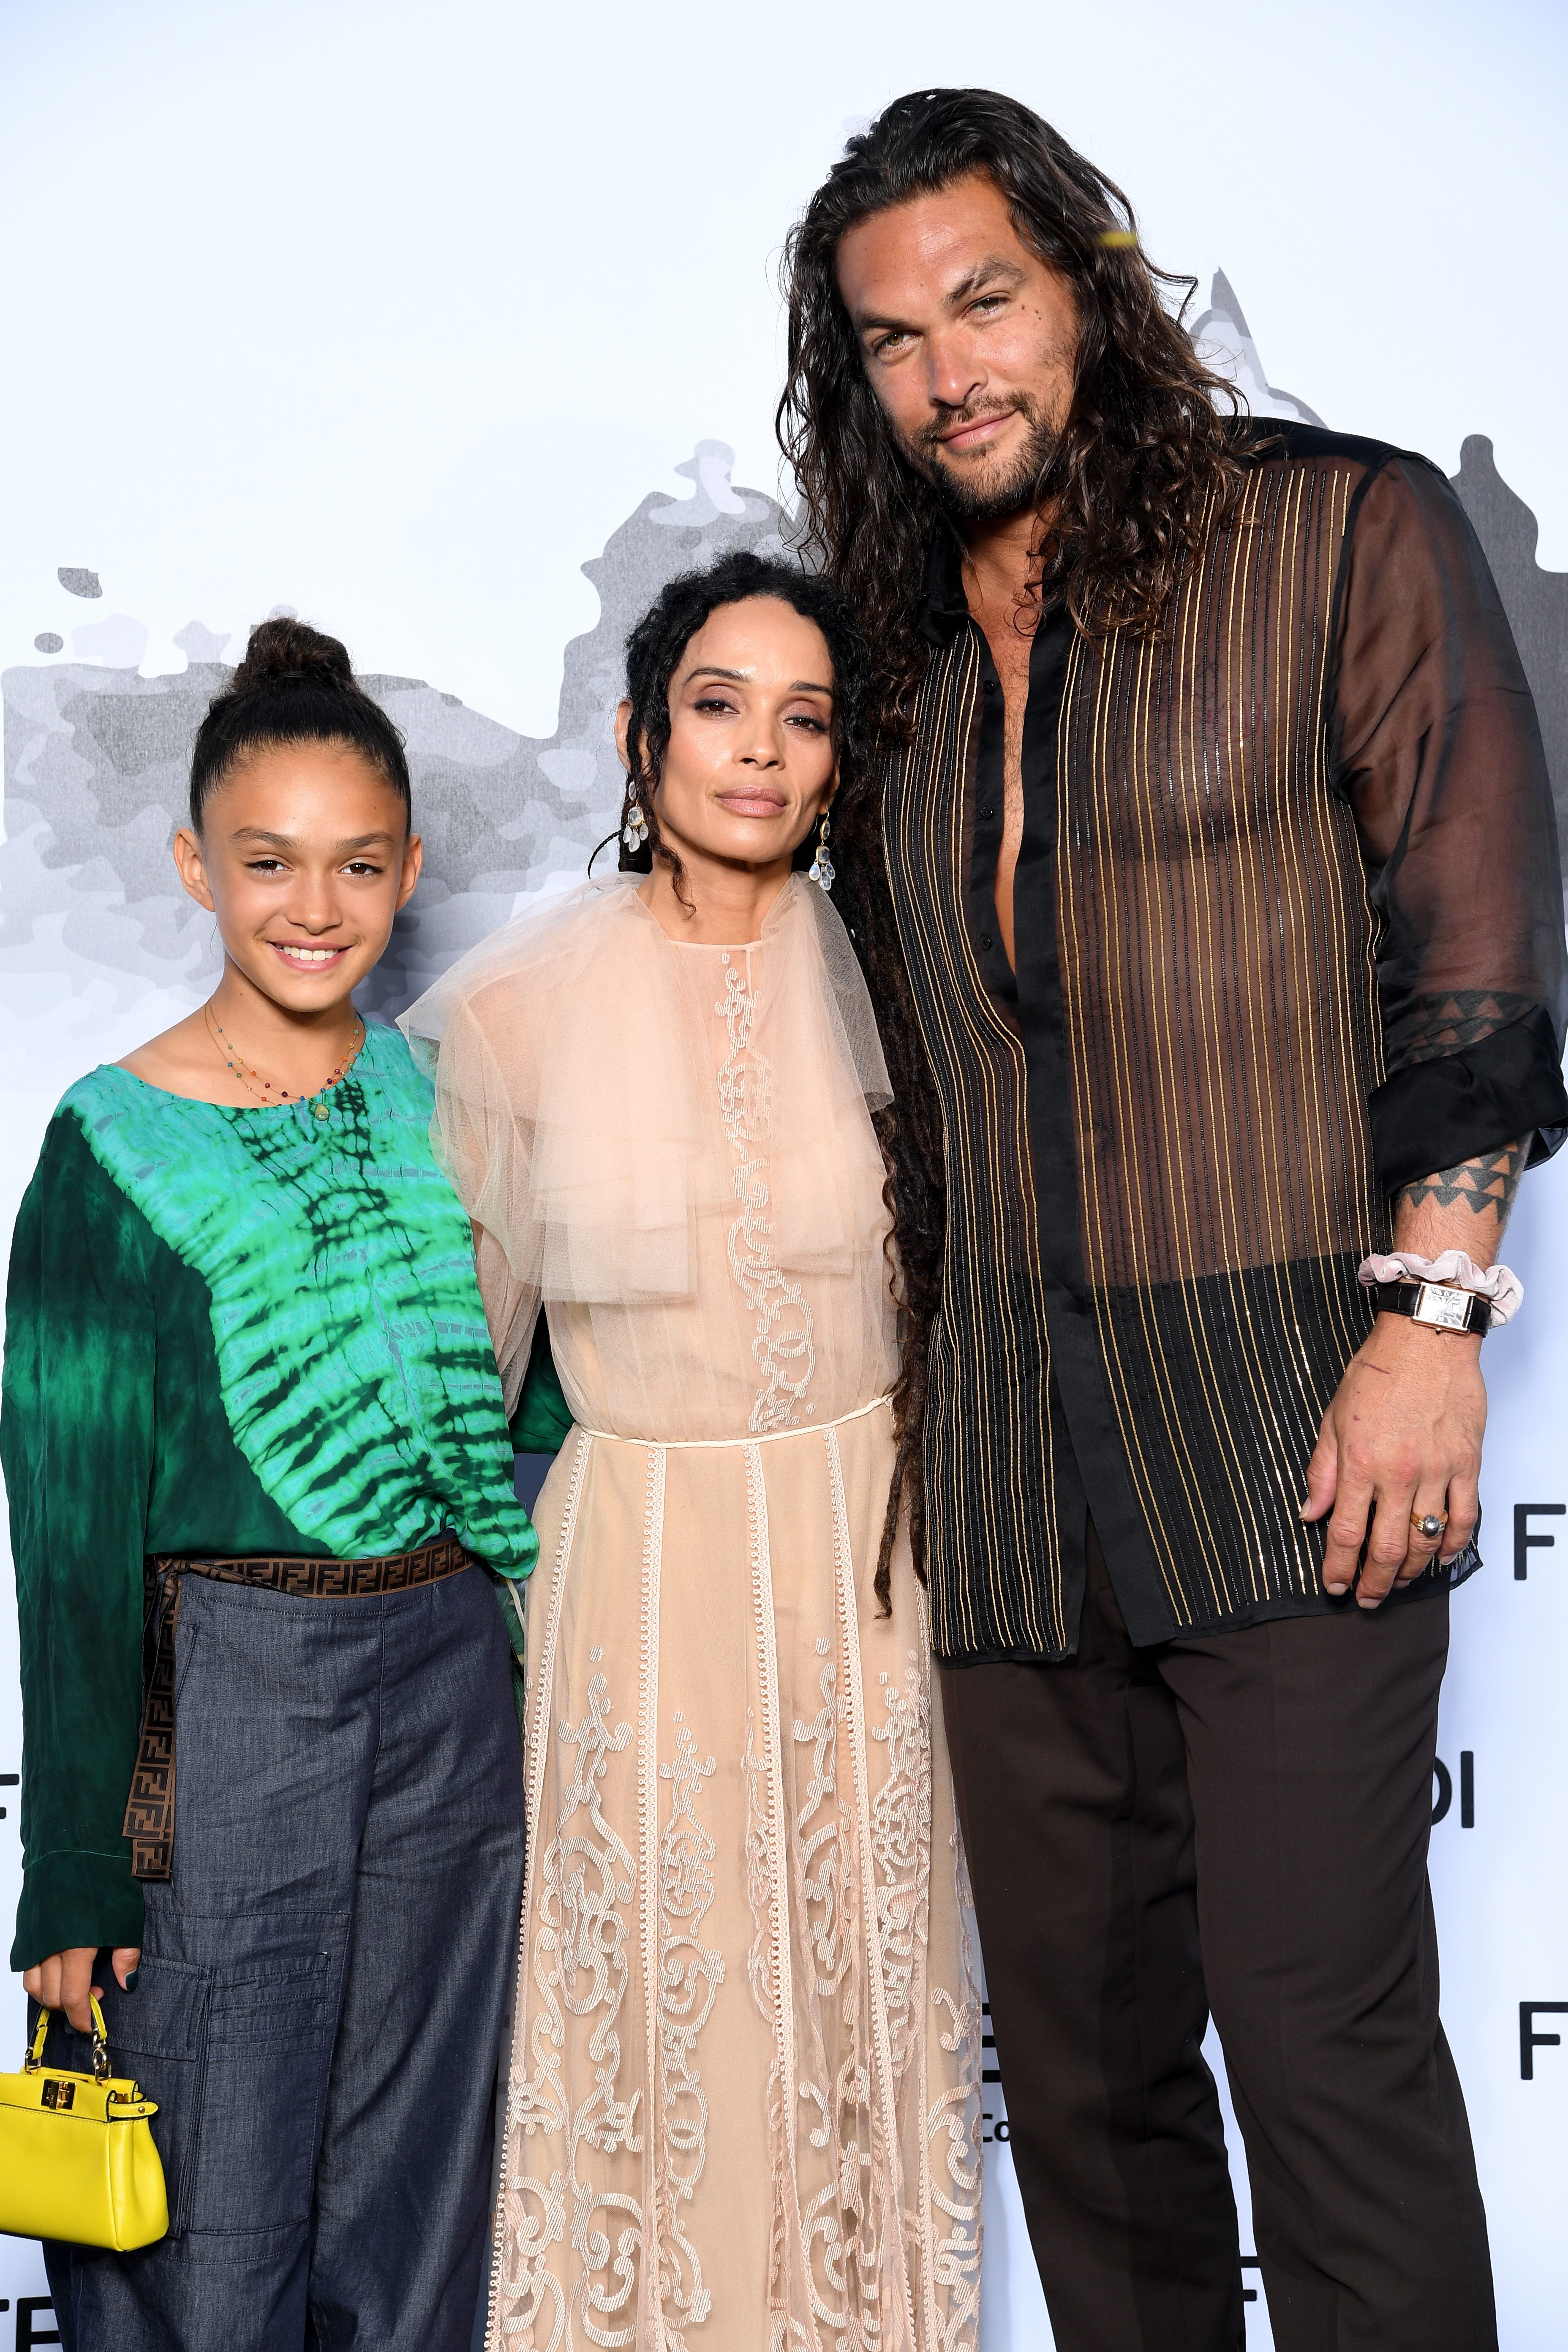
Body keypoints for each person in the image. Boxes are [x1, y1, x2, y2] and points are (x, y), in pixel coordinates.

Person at [776, 87, 1568, 2352]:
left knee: (1324, 2055)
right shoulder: (892, 651)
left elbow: (1479, 955)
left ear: (1094, 289)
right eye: (894, 338)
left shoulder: (1341, 535)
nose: (951, 370)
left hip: (1296, 1415)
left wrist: (1433, 1318)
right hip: (1011, 1466)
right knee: (1100, 2099)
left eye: (989, 299)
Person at [401, 550, 983, 2352]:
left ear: (839, 764)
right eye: (719, 707)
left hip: (869, 1572)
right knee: (657, 2030)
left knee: (866, 2021)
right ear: (647, 735)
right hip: (633, 1588)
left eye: (804, 719)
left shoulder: (911, 974)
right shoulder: (512, 1016)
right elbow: (460, 1396)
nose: (760, 753)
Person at [2, 618, 541, 2351]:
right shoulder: (107, 1147)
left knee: (413, 2213)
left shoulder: (444, 1097)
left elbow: (525, 1395)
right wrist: (73, 1863)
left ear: (408, 869)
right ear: (196, 867)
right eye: (268, 863)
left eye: (360, 865)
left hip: (455, 1689)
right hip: (226, 1706)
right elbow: (67, 1533)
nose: (316, 907)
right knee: (206, 2223)